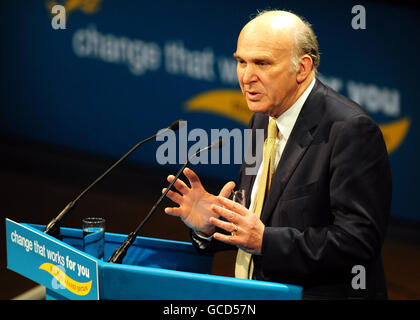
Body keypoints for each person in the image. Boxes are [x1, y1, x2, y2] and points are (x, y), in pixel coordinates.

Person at [162, 10, 392, 299]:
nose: (246, 76)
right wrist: (213, 224)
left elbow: (359, 241)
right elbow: (262, 215)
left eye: (262, 63)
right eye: (241, 61)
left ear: (302, 68)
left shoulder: (350, 130)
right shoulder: (262, 119)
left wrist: (265, 241)